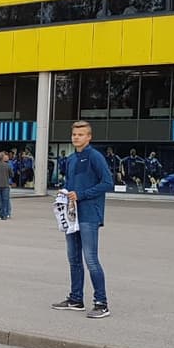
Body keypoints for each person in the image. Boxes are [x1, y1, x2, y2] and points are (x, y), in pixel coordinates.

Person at [52, 121, 115, 319]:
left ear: (89, 137)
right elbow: (72, 185)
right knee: (73, 259)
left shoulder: (95, 157)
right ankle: (76, 299)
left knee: (91, 259)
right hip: (72, 216)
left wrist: (82, 194)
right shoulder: (71, 159)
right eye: (74, 134)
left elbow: (107, 183)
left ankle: (101, 303)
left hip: (89, 215)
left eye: (81, 134)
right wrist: (64, 193)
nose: (76, 137)